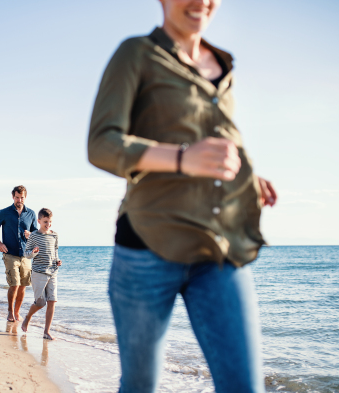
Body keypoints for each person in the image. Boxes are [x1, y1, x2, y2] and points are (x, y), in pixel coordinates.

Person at [87, 0, 277, 392]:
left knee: (245, 386)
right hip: (147, 245)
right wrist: (182, 159)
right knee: (141, 386)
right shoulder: (136, 53)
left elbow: (221, 136)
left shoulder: (223, 67)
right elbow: (102, 144)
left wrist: (249, 176)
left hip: (219, 246)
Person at [0, 185, 38, 322]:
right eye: (17, 197)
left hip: (26, 255)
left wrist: (32, 235)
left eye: (22, 197)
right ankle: (10, 312)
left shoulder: (31, 214)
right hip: (10, 254)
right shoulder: (4, 212)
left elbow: (36, 232)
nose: (19, 200)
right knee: (14, 284)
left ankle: (17, 313)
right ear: (13, 197)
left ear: (25, 197)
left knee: (23, 285)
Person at [21, 208, 62, 340]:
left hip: (53, 272)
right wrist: (34, 252)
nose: (48, 224)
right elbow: (26, 254)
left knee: (52, 301)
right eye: (45, 221)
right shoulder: (34, 236)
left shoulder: (55, 235)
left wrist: (57, 261)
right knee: (40, 303)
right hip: (39, 273)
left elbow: (55, 252)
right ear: (39, 221)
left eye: (50, 222)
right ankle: (28, 317)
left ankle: (46, 332)